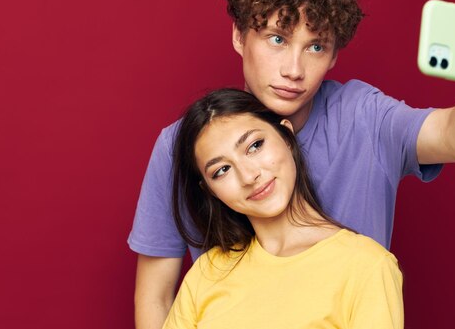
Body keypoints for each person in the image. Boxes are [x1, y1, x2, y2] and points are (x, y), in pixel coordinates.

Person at [129, 0, 455, 329]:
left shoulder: (363, 115)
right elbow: (156, 295)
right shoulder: (180, 145)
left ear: (335, 54)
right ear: (240, 36)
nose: (294, 70)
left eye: (316, 46)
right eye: (277, 39)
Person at [163, 88, 403, 328]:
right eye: (222, 170)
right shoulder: (206, 273)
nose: (248, 176)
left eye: (255, 146)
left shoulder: (367, 265)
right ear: (211, 191)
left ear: (287, 137)